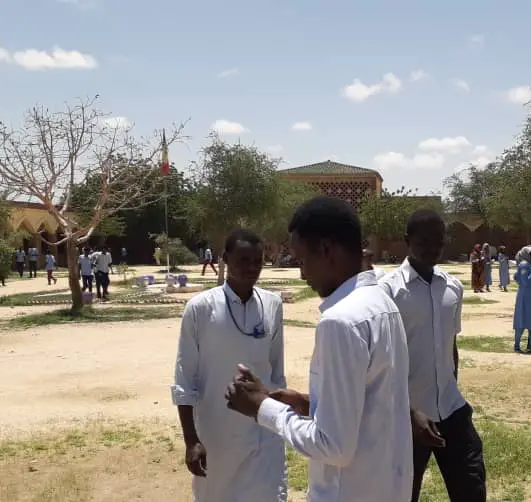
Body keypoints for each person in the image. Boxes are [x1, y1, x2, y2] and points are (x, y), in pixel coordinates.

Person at [224, 196, 413, 502]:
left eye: (301, 261)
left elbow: (333, 446)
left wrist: (263, 408)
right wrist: (311, 405)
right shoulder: (382, 304)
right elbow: (375, 406)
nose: (302, 274)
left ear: (326, 250)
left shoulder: (340, 321)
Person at [172, 229, 287, 501]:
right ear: (225, 259)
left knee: (269, 494)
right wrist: (191, 440)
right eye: (243, 260)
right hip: (216, 434)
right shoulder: (200, 308)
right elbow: (184, 379)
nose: (251, 268)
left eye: (257, 261)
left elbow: (276, 372)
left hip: (263, 432)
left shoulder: (272, 304)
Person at [379, 210, 486, 502]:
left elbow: (451, 345)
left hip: (452, 409)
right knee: (402, 495)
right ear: (407, 241)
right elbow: (381, 361)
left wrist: (451, 383)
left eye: (438, 241)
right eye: (423, 241)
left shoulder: (453, 287)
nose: (432, 248)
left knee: (472, 489)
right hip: (408, 418)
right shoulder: (388, 291)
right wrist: (406, 412)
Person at [513, 246, 531, 353]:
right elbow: (525, 282)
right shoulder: (524, 265)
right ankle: (517, 345)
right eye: (530, 254)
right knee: (522, 319)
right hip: (525, 297)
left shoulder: (529, 265)